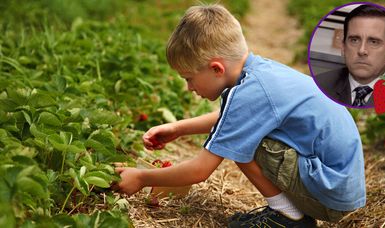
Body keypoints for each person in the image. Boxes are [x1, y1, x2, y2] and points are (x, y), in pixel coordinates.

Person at [115, 4, 366, 227]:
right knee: (242, 133)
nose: (189, 88)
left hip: (331, 195)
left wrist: (141, 177)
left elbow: (199, 171)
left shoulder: (251, 92)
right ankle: (290, 212)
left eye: (189, 79)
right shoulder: (260, 72)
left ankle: (289, 217)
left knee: (244, 143)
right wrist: (178, 128)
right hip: (338, 183)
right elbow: (233, 118)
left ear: (216, 68)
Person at [314, 4, 385, 107]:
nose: (362, 50)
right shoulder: (320, 86)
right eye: (354, 40)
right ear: (343, 47)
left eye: (374, 42)